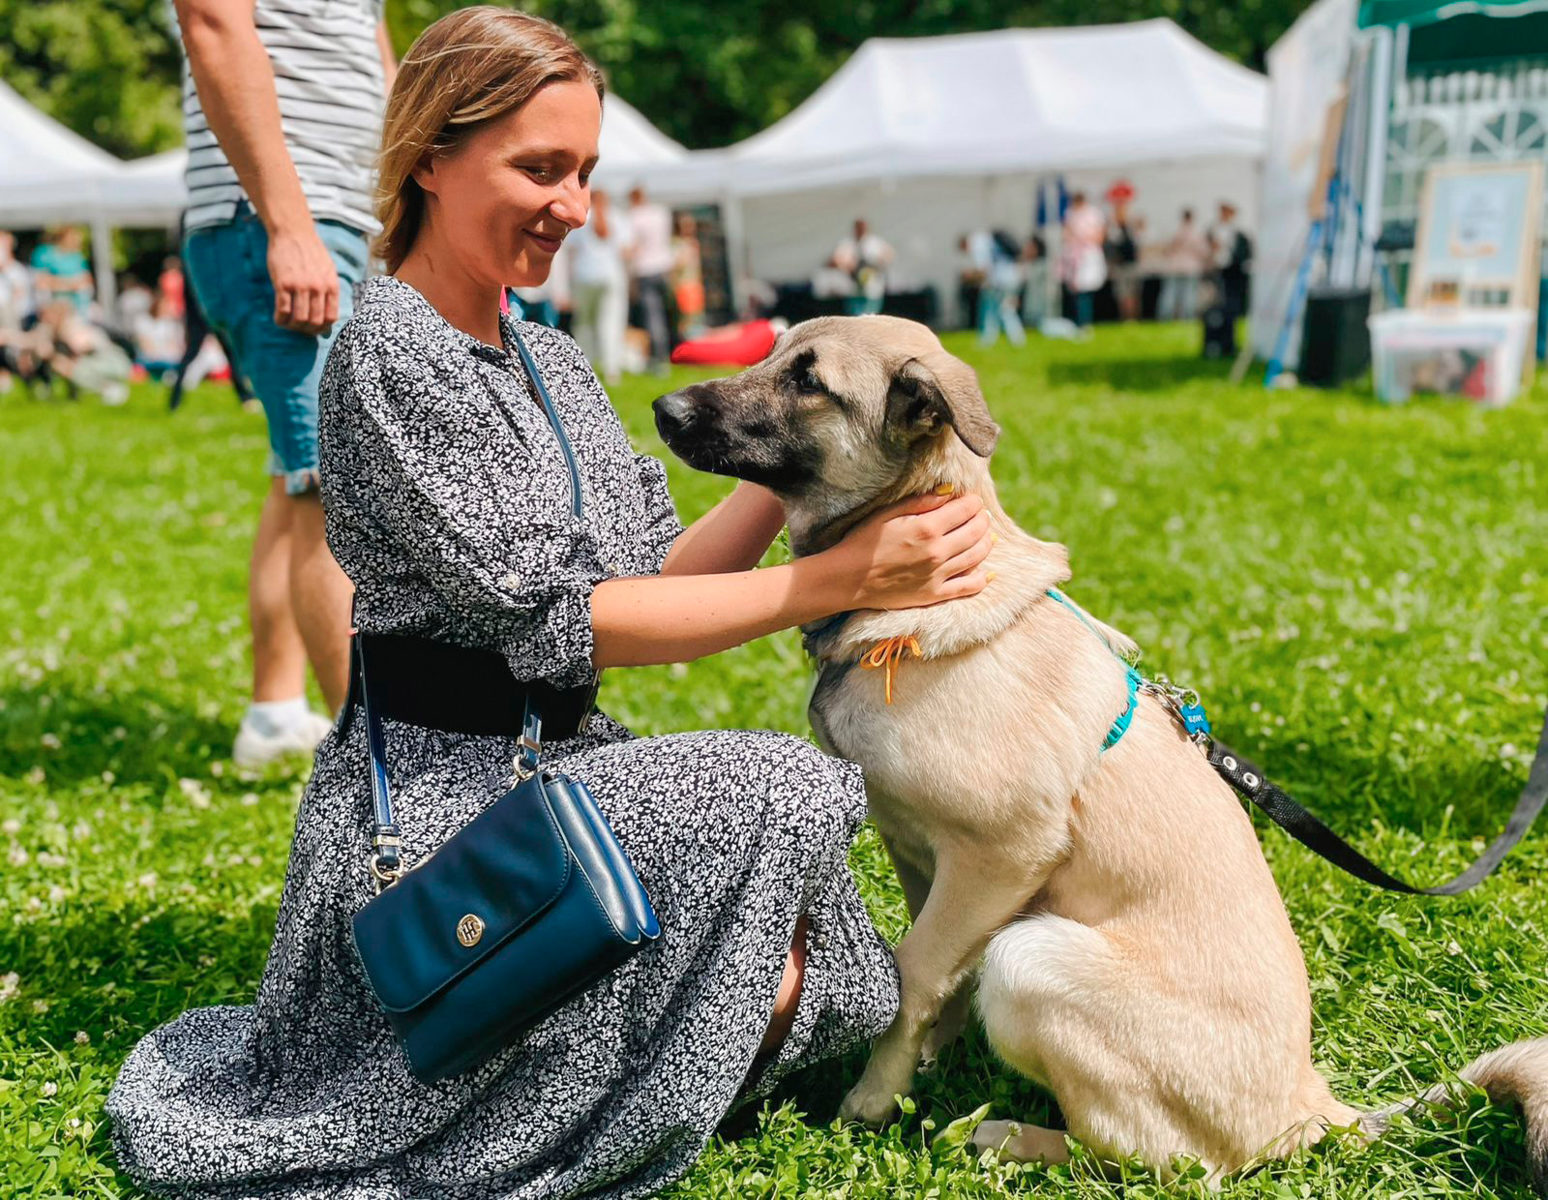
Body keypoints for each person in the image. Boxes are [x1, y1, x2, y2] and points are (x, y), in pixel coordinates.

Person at [107, 9, 995, 1198]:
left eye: (584, 172)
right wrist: (834, 581)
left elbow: (649, 583)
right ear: (429, 154)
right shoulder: (392, 352)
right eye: (539, 168)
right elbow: (576, 626)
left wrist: (820, 493)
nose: (573, 206)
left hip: (554, 767)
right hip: (433, 803)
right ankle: (556, 1064)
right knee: (782, 783)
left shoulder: (545, 353)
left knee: (844, 988)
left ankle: (599, 1045)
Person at [170, 0, 395, 766]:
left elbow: (375, 63)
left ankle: (274, 710)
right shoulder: (286, 222)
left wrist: (398, 205)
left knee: (298, 477)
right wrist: (288, 226)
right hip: (276, 214)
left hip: (341, 216)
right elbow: (213, 23)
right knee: (331, 488)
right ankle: (372, 776)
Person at [568, 187, 630, 383]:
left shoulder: (581, 216)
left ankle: (586, 367)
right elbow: (626, 251)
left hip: (584, 275)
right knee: (610, 322)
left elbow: (571, 251)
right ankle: (612, 369)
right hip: (611, 276)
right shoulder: (618, 216)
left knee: (585, 322)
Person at [626, 184, 673, 372]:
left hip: (645, 270)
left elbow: (633, 248)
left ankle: (659, 358)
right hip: (664, 267)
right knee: (666, 313)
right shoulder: (660, 213)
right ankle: (670, 351)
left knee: (652, 316)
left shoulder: (633, 217)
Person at [965, 229, 1026, 347]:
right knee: (1006, 309)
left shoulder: (978, 244)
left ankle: (988, 339)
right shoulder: (987, 239)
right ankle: (1017, 339)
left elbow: (983, 269)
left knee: (990, 311)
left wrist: (970, 276)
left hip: (998, 281)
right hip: (1012, 277)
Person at [1060, 191, 1107, 333]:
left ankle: (1084, 322)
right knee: (1075, 291)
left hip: (1087, 256)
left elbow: (1099, 236)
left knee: (1085, 291)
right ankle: (1077, 322)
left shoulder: (1094, 214)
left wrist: (1083, 239)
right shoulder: (1070, 213)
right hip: (1074, 256)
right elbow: (1066, 233)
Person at [831, 218, 893, 315]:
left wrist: (876, 263)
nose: (861, 230)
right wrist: (847, 264)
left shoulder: (874, 242)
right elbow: (836, 259)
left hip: (872, 286)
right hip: (853, 287)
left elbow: (889, 254)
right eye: (858, 227)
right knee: (855, 316)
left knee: (871, 315)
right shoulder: (847, 243)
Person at [1158, 208, 1209, 321]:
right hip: (1190, 267)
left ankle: (1165, 318)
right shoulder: (1197, 233)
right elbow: (1203, 252)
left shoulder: (1175, 231)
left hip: (1174, 266)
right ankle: (1187, 318)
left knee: (1170, 293)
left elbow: (1165, 251)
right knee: (1189, 294)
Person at [29, 227, 94, 315]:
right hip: (52, 300)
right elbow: (41, 281)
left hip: (75, 302)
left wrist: (62, 284)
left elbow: (86, 280)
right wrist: (68, 284)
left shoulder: (77, 256)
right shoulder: (44, 253)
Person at [1209, 201, 1252, 319]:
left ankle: (1233, 315)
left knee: (1233, 295)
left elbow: (1244, 249)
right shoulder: (1214, 229)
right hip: (1218, 266)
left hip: (1234, 266)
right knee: (1220, 295)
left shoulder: (1237, 231)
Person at [670, 210, 706, 338]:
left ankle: (697, 339)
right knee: (685, 320)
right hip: (683, 286)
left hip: (694, 285)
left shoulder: (693, 242)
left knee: (696, 317)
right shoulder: (676, 243)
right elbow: (675, 265)